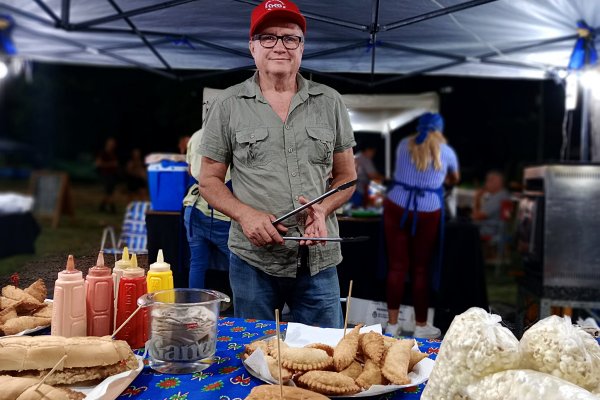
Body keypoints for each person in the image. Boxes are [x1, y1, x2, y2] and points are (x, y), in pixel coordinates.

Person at [197, 0, 357, 328]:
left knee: (324, 355)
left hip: (318, 260)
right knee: (256, 353)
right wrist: (246, 214)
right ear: (252, 47)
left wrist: (323, 209)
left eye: (290, 37)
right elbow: (209, 180)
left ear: (302, 47)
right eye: (268, 38)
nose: (280, 46)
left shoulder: (330, 102)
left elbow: (347, 176)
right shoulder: (227, 105)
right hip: (252, 261)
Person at [384, 113, 460, 338]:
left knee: (396, 267)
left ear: (419, 127)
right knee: (420, 268)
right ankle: (420, 326)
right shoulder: (447, 152)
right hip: (428, 208)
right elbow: (454, 178)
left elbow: (405, 170)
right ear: (440, 129)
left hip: (397, 204)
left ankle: (391, 325)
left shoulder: (401, 145)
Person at [183, 129, 231, 289]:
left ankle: (195, 306)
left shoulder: (196, 135)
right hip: (221, 210)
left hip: (193, 206)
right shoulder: (228, 134)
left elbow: (190, 170)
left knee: (197, 263)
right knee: (239, 262)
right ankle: (242, 308)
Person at [472, 170, 511, 239]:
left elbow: (477, 217)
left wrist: (476, 198)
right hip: (489, 228)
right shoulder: (500, 195)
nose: (486, 184)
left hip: (488, 231)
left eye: (489, 181)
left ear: (497, 183)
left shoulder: (499, 197)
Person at [351, 142, 383, 207]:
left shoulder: (357, 156)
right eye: (373, 152)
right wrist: (386, 178)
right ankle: (376, 207)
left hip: (353, 188)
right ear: (368, 150)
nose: (374, 154)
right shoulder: (365, 159)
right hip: (359, 189)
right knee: (376, 182)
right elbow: (373, 175)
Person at [95, 137, 119, 213]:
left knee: (109, 192)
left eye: (114, 144)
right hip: (105, 174)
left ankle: (102, 207)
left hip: (112, 174)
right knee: (109, 192)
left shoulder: (113, 153)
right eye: (111, 144)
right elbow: (98, 164)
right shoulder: (103, 153)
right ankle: (112, 209)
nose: (113, 145)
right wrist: (111, 164)